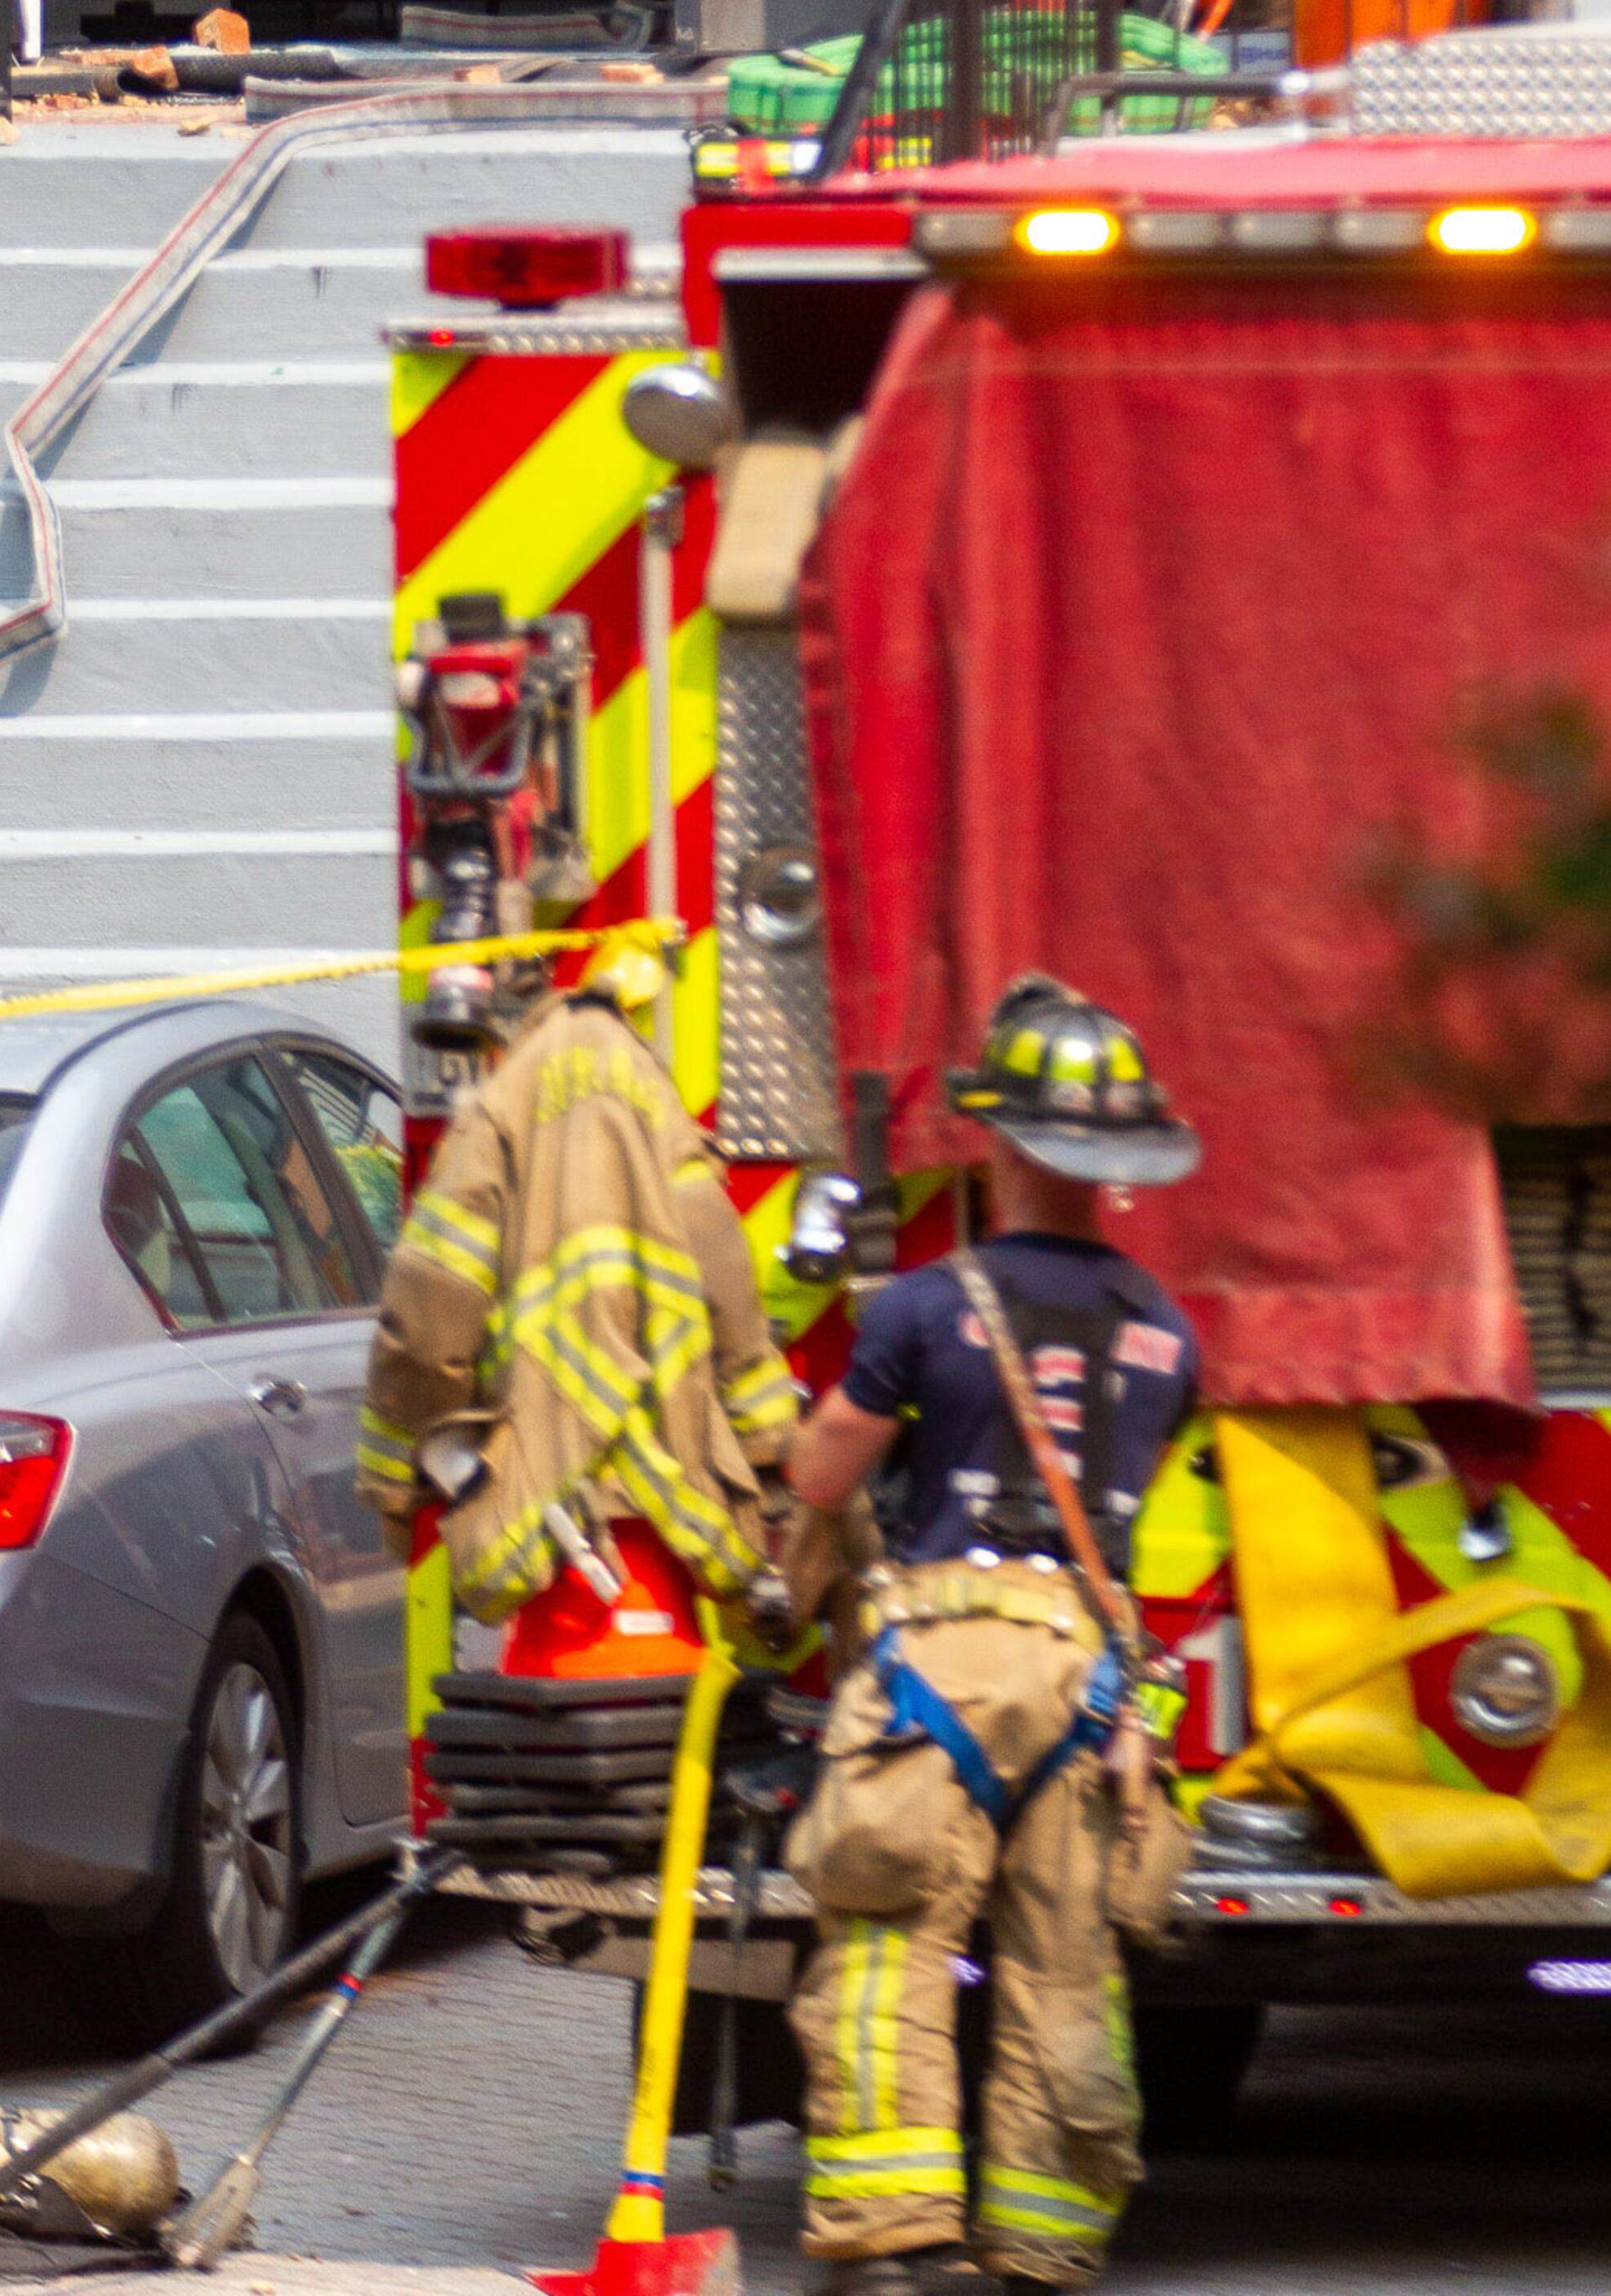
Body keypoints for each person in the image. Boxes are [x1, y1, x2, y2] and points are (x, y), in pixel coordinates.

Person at [780, 978, 1203, 2295]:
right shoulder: (1167, 1332)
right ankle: (1042, 2249)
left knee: (886, 1948)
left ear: (1004, 1146)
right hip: (1091, 1689)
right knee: (1065, 1973)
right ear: (1120, 1167)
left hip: (939, 1670)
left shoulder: (920, 1306)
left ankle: (893, 2243)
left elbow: (821, 1478)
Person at [357, 925, 801, 1622]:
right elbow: (724, 1278)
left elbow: (428, 1319)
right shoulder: (654, 1094)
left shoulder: (498, 1111)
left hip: (549, 1518)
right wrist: (767, 1445)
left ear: (499, 1033)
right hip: (672, 1508)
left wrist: (395, 1485)